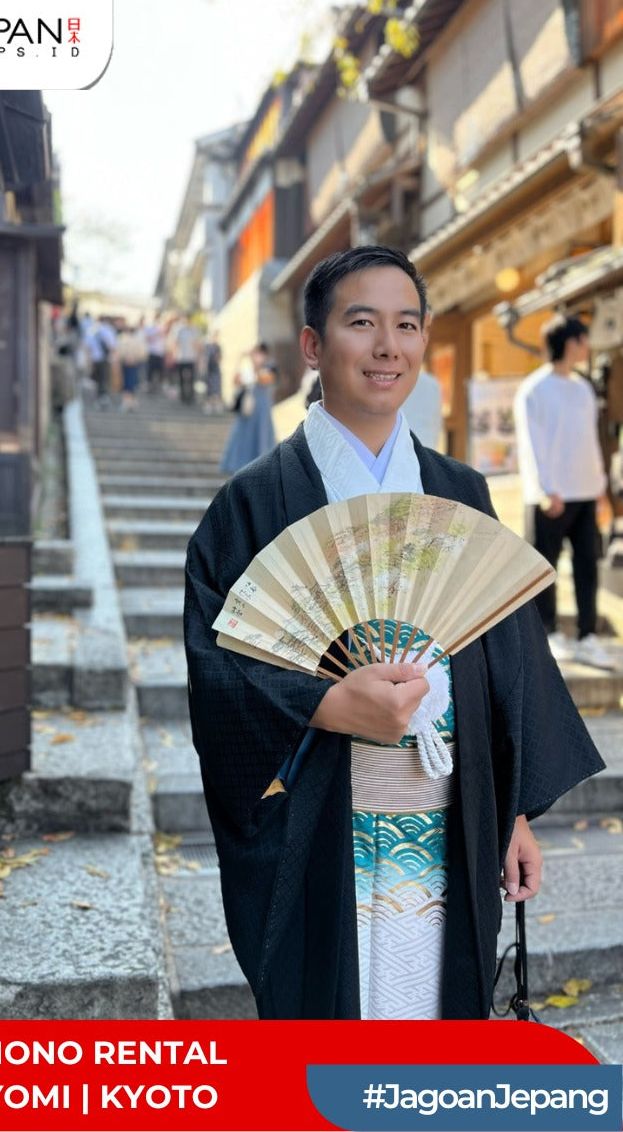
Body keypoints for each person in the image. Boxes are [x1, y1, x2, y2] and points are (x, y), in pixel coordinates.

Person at [184, 246, 604, 1021]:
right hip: (322, 819)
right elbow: (219, 668)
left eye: (407, 325)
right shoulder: (249, 505)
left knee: (434, 1014)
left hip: (454, 810)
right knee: (336, 1016)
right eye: (362, 323)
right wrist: (326, 705)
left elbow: (505, 665)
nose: (389, 346)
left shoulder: (460, 491)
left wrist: (511, 812)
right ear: (313, 346)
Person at [513, 314, 614, 670]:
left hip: (585, 491)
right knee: (545, 568)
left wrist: (600, 488)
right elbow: (530, 443)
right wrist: (545, 488)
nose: (587, 347)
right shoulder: (534, 388)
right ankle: (549, 633)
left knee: (588, 566)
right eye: (584, 340)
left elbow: (590, 440)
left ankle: (587, 636)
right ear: (570, 343)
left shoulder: (583, 387)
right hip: (550, 496)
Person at [219, 342, 276, 473]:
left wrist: (255, 364)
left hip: (262, 411)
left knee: (261, 438)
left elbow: (264, 379)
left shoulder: (270, 367)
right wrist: (240, 360)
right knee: (241, 437)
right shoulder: (248, 368)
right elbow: (236, 380)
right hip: (248, 411)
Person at [401, 365, 443, 449]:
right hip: (426, 448)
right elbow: (437, 424)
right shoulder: (432, 383)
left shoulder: (395, 382)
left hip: (401, 448)